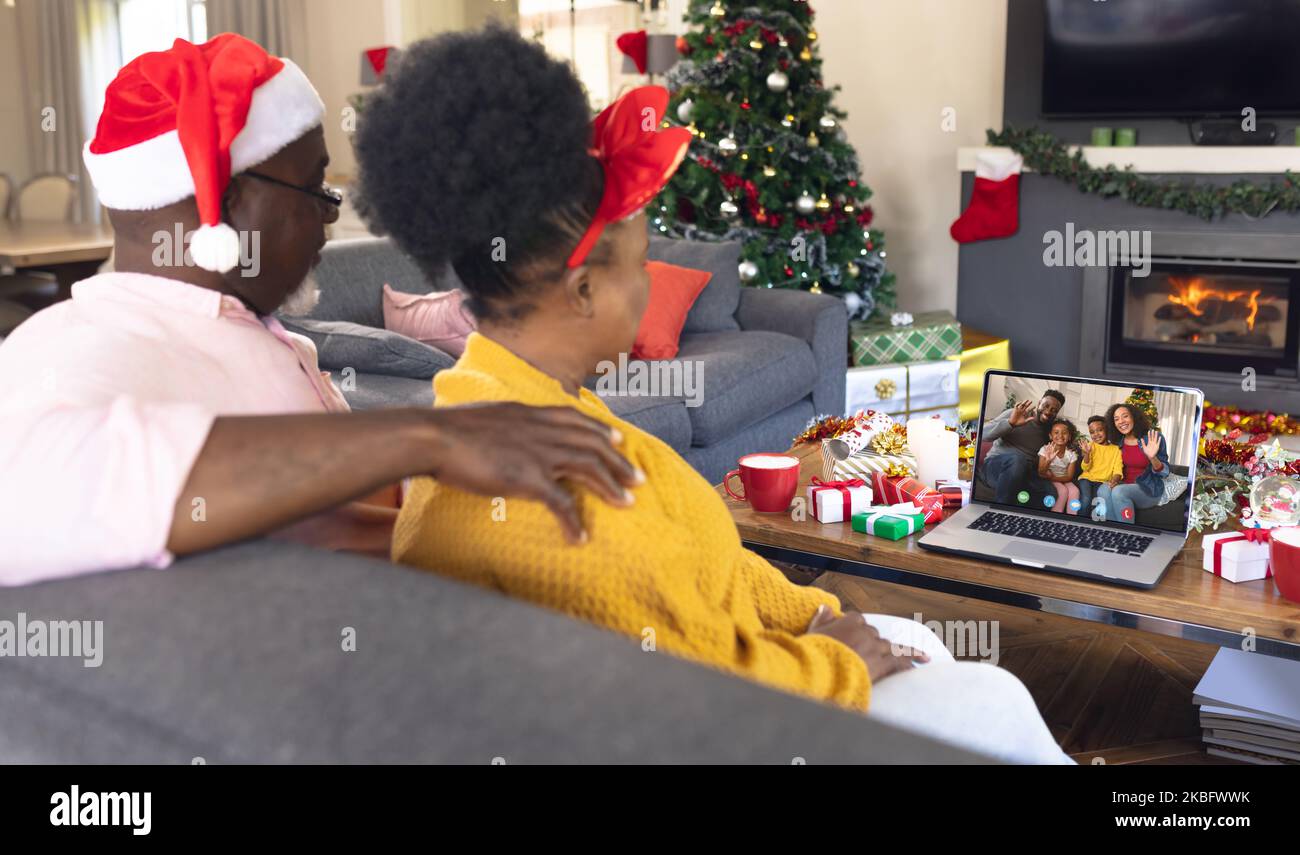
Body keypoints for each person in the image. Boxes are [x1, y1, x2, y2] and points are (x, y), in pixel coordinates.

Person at [358, 23, 1073, 764]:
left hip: (765, 668)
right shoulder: (537, 500)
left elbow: (709, 568)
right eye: (641, 265)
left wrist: (823, 613)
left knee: (927, 643)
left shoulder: (539, 403)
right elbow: (686, 699)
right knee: (995, 702)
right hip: (737, 723)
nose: (650, 287)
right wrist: (841, 660)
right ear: (581, 291)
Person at [0, 33, 638, 585]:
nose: (330, 215)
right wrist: (434, 438)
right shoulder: (79, 340)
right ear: (222, 200)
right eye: (313, 189)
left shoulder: (233, 323)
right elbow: (23, 491)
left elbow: (317, 512)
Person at [980, 390, 1064, 506]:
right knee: (1018, 459)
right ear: (1039, 403)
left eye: (1054, 411)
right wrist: (1011, 423)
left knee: (1050, 493)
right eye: (1046, 406)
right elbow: (982, 434)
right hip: (996, 467)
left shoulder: (1048, 432)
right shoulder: (1015, 414)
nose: (1048, 411)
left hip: (1024, 473)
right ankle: (1000, 511)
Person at [1097, 402, 1169, 524]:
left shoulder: (1153, 437)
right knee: (1103, 489)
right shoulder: (1117, 441)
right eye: (1116, 419)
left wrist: (1152, 457)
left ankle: (1126, 534)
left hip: (1148, 488)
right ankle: (1113, 533)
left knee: (1119, 492)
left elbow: (1164, 473)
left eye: (1125, 416)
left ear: (1134, 417)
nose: (1121, 421)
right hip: (1125, 483)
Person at [1077, 415, 1123, 519]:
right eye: (1092, 432)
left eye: (1099, 430)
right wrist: (1087, 454)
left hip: (1102, 482)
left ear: (1106, 430)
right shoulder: (1090, 446)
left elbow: (1118, 470)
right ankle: (1079, 523)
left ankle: (1094, 527)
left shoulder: (1116, 450)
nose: (1096, 434)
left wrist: (1114, 480)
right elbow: (1085, 468)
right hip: (1086, 478)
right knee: (1086, 499)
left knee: (1097, 502)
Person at [1037, 418, 1080, 514]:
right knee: (1063, 491)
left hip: (1062, 478)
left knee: (1075, 491)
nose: (1060, 435)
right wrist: (1048, 461)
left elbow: (1069, 476)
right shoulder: (1045, 450)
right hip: (1049, 477)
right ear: (1050, 436)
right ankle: (1056, 516)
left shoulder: (1071, 455)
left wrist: (1054, 478)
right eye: (1056, 432)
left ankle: (1072, 518)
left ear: (1069, 437)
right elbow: (1041, 472)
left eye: (1064, 433)